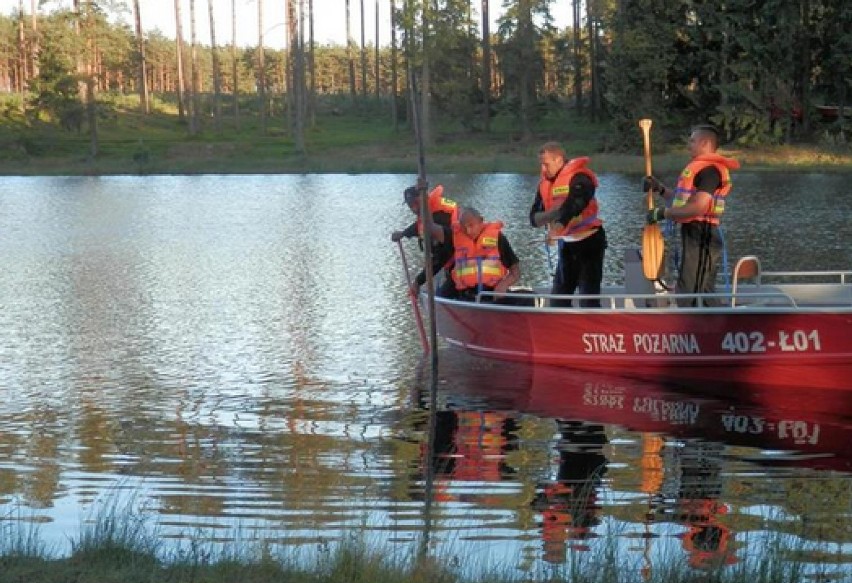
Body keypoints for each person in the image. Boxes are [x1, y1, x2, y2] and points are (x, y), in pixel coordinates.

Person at [643, 125, 741, 307]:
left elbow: (698, 207)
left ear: (705, 143)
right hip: (693, 232)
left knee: (691, 286)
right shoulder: (697, 169)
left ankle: (689, 326)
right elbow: (682, 201)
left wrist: (664, 213)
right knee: (697, 285)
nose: (689, 145)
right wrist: (660, 189)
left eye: (692, 140)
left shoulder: (709, 171)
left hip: (702, 233)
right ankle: (705, 324)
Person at [529, 142, 607, 308]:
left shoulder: (581, 178)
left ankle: (590, 330)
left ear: (558, 160)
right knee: (558, 299)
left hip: (589, 241)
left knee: (588, 297)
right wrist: (553, 214)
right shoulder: (545, 182)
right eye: (541, 164)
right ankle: (560, 330)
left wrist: (557, 224)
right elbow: (533, 218)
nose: (543, 168)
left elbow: (575, 205)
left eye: (546, 163)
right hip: (567, 244)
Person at [428, 206, 521, 302]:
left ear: (481, 221)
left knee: (523, 300)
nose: (468, 231)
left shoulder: (498, 238)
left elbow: (516, 272)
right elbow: (431, 228)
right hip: (463, 295)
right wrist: (424, 203)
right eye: (464, 227)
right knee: (438, 299)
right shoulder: (455, 237)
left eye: (471, 225)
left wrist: (504, 284)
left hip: (491, 294)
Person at [390, 183, 458, 294]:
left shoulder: (439, 216)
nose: (414, 208)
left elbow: (439, 259)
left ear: (425, 197)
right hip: (456, 263)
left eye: (416, 203)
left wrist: (418, 281)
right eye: (410, 205)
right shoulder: (431, 209)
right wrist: (403, 233)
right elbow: (418, 227)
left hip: (461, 263)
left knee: (442, 295)